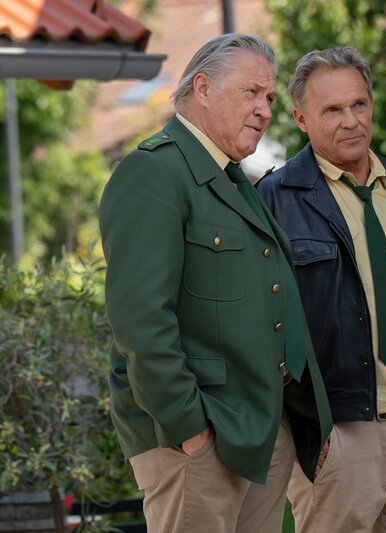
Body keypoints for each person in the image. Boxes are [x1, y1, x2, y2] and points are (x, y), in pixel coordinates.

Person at [99, 34, 331, 533]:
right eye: (252, 93)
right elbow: (139, 321)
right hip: (199, 439)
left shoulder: (233, 179)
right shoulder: (153, 172)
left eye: (269, 98)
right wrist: (190, 432)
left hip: (259, 430)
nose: (265, 110)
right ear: (202, 89)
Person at [256, 46, 386, 532]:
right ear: (301, 118)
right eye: (332, 110)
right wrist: (310, 428)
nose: (350, 121)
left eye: (358, 104)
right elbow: (265, 328)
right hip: (341, 439)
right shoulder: (274, 201)